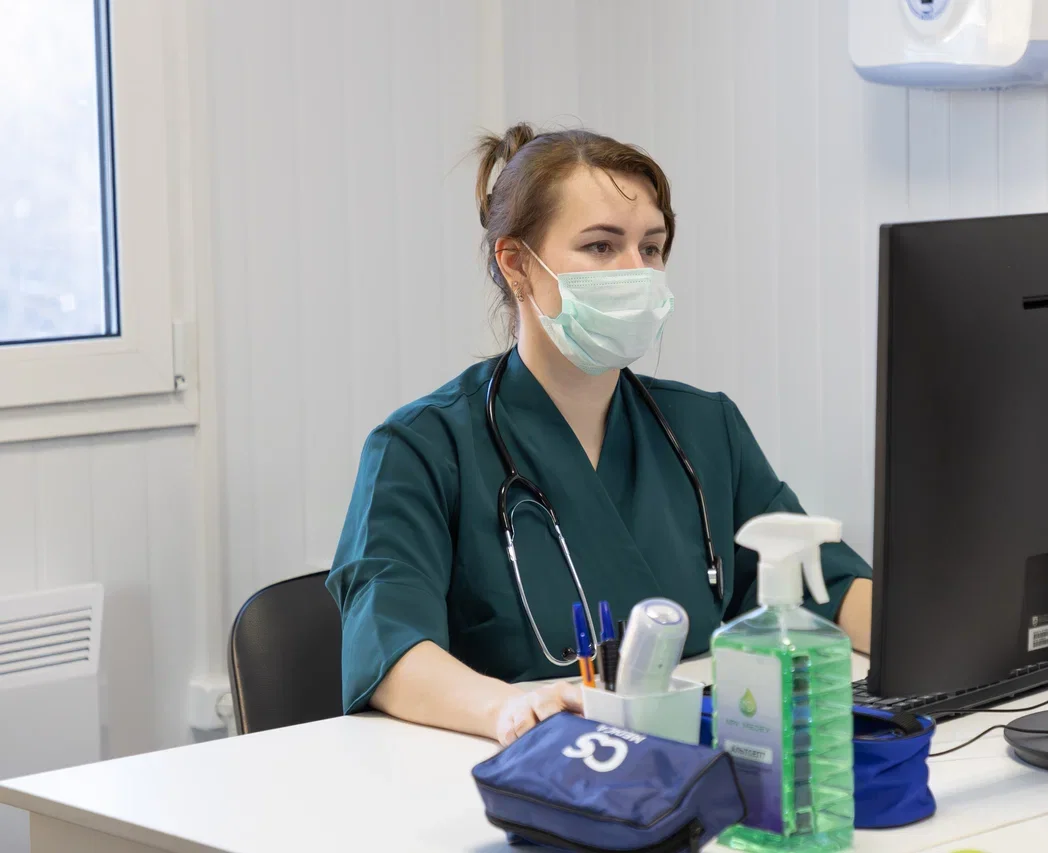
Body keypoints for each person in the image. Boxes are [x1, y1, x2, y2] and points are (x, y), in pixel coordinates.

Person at [327, 123, 873, 746]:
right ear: (516, 265)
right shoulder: (421, 447)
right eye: (601, 246)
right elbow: (391, 649)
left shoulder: (705, 429)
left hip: (695, 751)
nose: (636, 271)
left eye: (652, 247)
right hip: (517, 761)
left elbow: (824, 584)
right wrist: (509, 709)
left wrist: (935, 642)